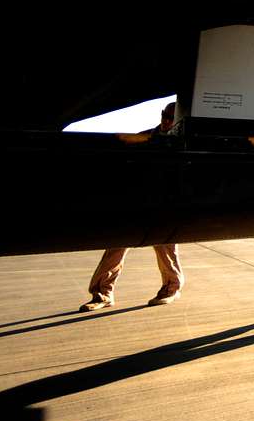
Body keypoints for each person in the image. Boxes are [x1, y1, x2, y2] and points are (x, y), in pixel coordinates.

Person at [78, 103, 185, 311]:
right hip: (139, 203)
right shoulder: (143, 138)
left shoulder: (180, 143)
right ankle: (102, 294)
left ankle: (171, 289)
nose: (166, 121)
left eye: (172, 118)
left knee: (167, 250)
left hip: (164, 205)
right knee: (116, 246)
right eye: (164, 115)